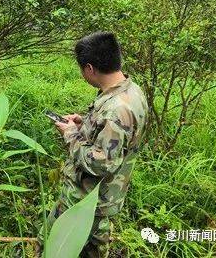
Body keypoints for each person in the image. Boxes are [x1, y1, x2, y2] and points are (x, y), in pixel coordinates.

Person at [51, 32, 147, 258]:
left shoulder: (116, 110)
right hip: (100, 201)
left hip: (87, 204)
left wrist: (71, 134)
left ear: (89, 69)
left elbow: (102, 163)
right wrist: (84, 124)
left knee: (55, 248)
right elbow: (116, 138)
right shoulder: (130, 91)